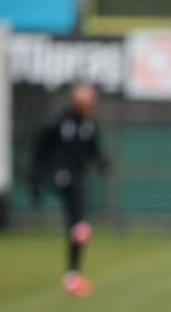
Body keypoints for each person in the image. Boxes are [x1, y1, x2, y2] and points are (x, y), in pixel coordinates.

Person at [30, 84, 111, 298]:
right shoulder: (58, 122)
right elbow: (40, 150)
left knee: (76, 224)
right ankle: (80, 227)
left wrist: (103, 163)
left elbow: (93, 151)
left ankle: (72, 275)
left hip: (77, 176)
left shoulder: (89, 126)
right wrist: (37, 180)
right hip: (60, 175)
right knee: (77, 211)